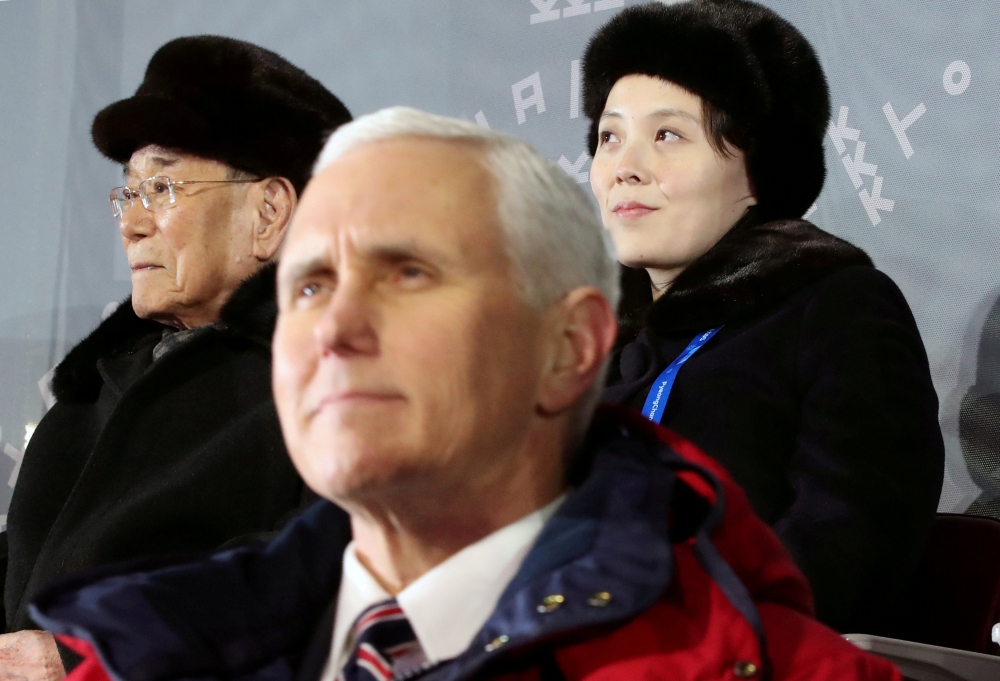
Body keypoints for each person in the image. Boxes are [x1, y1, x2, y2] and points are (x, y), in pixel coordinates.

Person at [29, 108, 897, 681]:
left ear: (568, 349)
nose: (335, 327)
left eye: (408, 272)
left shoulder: (770, 665)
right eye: (307, 286)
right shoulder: (131, 653)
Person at [583, 0, 944, 632]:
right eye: (609, 137)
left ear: (757, 170)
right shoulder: (597, 337)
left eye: (666, 135)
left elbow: (852, 532)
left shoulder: (834, 306)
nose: (623, 167)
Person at [0, 34, 352, 668]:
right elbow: (23, 573)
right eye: (128, 194)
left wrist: (92, 654)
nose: (131, 223)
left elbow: (335, 567)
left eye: (162, 190)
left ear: (269, 212)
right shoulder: (95, 392)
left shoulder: (339, 377)